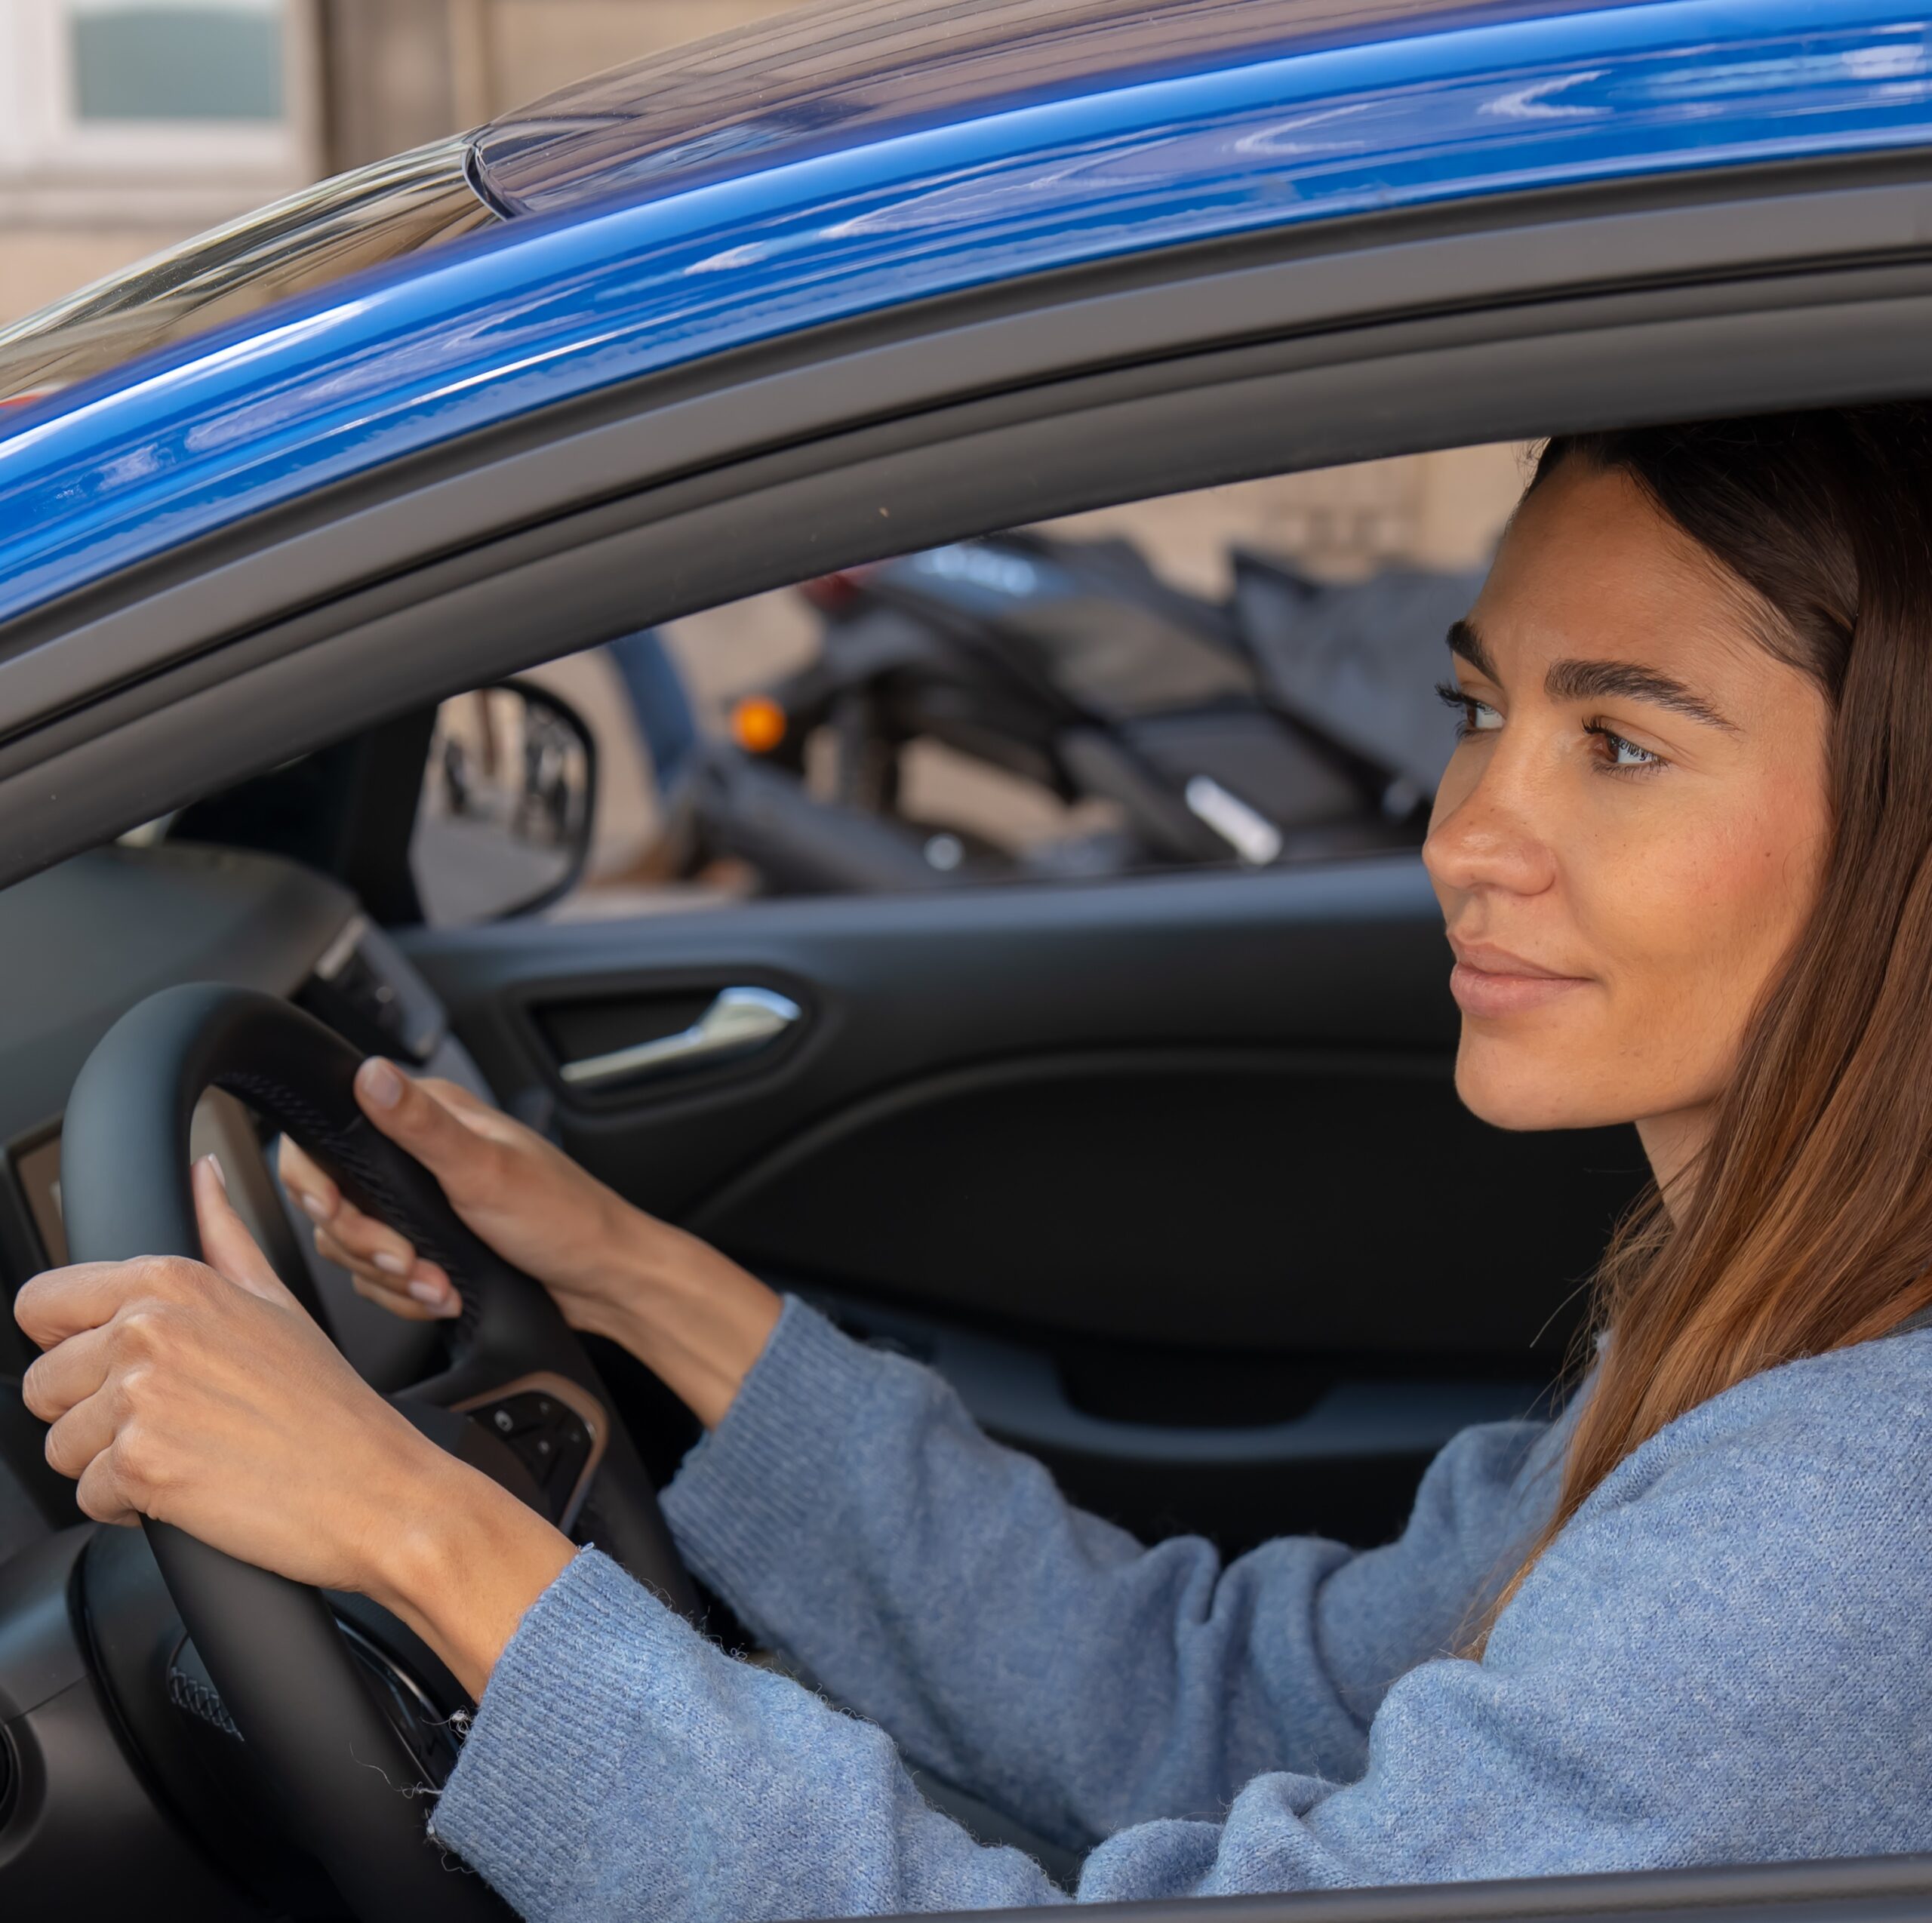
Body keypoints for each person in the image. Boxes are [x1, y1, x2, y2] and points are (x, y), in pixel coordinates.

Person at [18, 408, 1932, 1921]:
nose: (1465, 834)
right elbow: (1223, 1705)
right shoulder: (1752, 1338)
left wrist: (415, 1534)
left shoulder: (1842, 1528)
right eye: (1477, 709)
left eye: (1617, 744)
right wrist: (615, 1267)